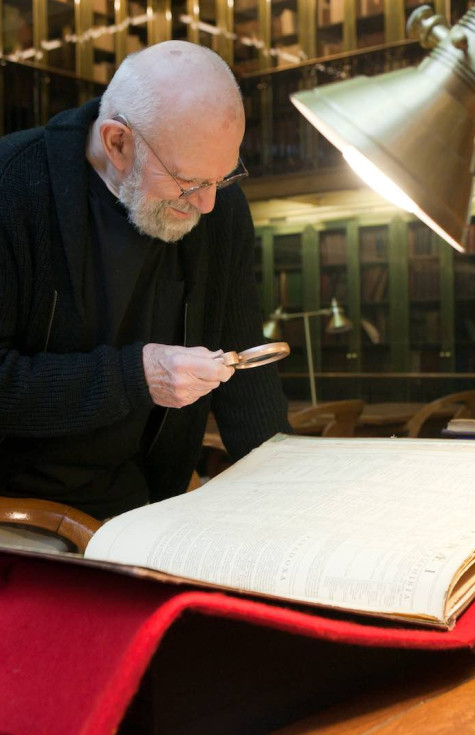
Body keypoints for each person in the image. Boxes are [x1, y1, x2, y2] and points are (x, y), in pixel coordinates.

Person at [0, 40, 292, 526]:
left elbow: (244, 371)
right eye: (188, 182)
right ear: (117, 142)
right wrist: (136, 376)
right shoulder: (12, 186)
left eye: (222, 179)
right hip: (16, 517)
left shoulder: (219, 210)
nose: (207, 206)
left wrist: (289, 499)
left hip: (149, 508)